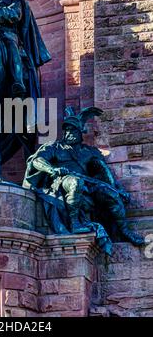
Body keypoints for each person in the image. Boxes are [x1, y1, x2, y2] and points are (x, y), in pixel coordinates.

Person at [23, 107, 144, 253]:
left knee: (109, 193)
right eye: (66, 130)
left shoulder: (89, 152)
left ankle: (124, 230)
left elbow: (105, 173)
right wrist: (52, 170)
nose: (69, 133)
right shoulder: (54, 147)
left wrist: (117, 189)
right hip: (62, 181)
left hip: (88, 184)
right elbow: (37, 160)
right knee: (75, 182)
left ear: (81, 132)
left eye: (73, 130)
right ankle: (75, 223)